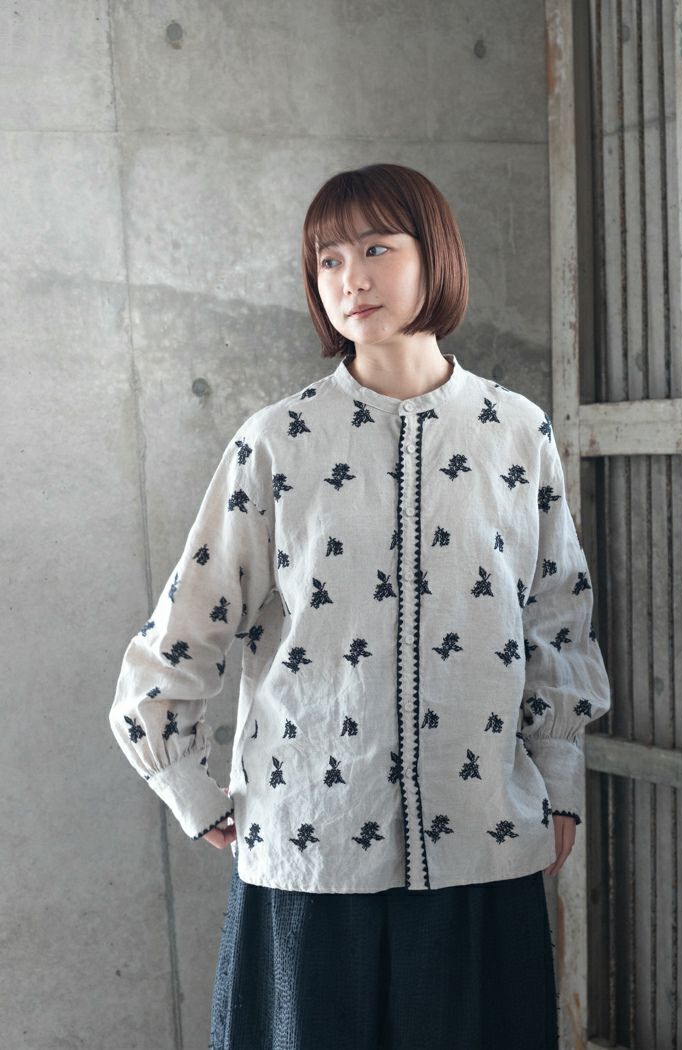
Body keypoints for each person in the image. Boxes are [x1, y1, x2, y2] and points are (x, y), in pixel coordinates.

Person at [109, 162, 611, 1049]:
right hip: (313, 849)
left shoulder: (516, 432)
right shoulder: (277, 442)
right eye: (329, 259)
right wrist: (187, 782)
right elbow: (183, 629)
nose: (351, 279)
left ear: (436, 255)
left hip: (482, 841)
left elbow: (556, 618)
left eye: (377, 249)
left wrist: (560, 778)